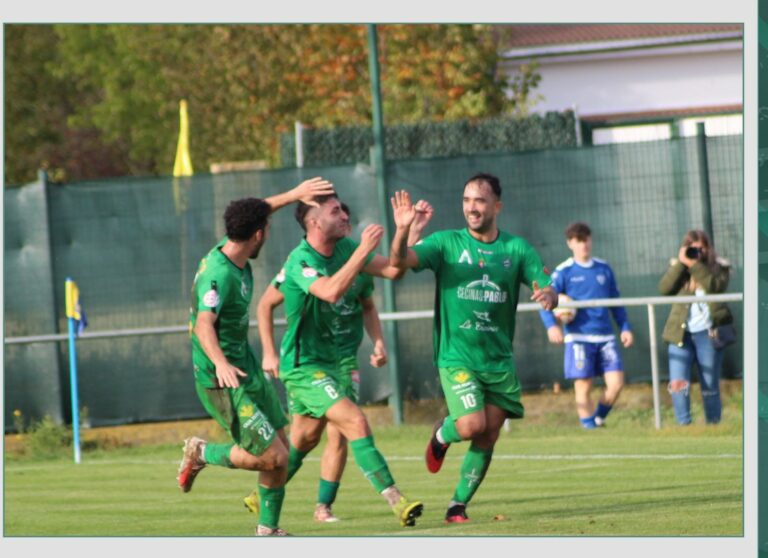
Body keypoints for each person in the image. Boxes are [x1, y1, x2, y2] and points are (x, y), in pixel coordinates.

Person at [244, 201, 431, 523]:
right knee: (354, 422)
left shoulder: (347, 248)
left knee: (305, 439)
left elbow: (393, 270)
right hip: (304, 366)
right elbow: (328, 291)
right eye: (335, 211)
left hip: (339, 361)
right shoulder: (300, 260)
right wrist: (269, 352)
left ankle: (261, 495)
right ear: (313, 222)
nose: (345, 215)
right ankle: (396, 499)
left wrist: (404, 230)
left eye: (345, 210)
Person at [388, 173, 558, 524]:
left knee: (489, 433)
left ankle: (457, 506)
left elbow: (547, 286)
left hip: (498, 360)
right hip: (457, 355)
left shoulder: (517, 249)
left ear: (497, 205)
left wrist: (548, 296)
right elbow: (399, 261)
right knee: (469, 425)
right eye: (466, 200)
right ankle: (442, 433)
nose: (471, 207)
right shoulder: (446, 244)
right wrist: (404, 229)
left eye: (479, 201)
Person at [177, 177, 335, 537]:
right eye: (266, 227)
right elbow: (204, 325)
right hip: (221, 377)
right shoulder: (220, 276)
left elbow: (255, 210)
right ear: (259, 235)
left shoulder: (232, 244)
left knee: (284, 445)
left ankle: (268, 530)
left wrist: (294, 194)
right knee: (273, 456)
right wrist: (219, 363)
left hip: (244, 365)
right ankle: (203, 453)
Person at [538, 222, 634, 429]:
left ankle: (597, 419)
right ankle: (589, 428)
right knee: (584, 385)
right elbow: (545, 299)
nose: (584, 245)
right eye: (578, 241)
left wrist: (625, 327)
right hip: (578, 337)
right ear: (570, 243)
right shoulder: (563, 272)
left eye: (586, 239)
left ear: (591, 240)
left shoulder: (603, 268)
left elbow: (616, 302)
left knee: (616, 384)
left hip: (605, 336)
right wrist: (551, 325)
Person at [658, 229, 733, 425]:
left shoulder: (719, 267)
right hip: (681, 334)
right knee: (678, 384)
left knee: (709, 385)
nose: (697, 252)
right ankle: (684, 425)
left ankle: (713, 424)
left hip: (708, 334)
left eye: (702, 248)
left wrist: (696, 265)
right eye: (693, 249)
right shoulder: (679, 268)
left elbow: (715, 286)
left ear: (708, 249)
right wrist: (682, 264)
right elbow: (665, 289)